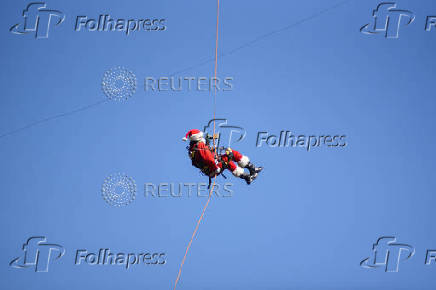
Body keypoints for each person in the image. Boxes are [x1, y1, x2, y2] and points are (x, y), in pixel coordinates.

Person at [182, 129, 262, 184]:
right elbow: (208, 158)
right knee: (231, 153)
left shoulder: (193, 148)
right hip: (214, 168)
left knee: (227, 162)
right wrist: (215, 168)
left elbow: (202, 158)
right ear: (198, 137)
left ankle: (247, 177)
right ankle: (252, 169)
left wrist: (210, 139)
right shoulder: (200, 146)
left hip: (209, 170)